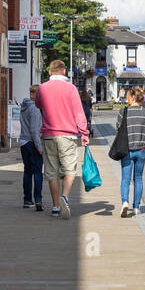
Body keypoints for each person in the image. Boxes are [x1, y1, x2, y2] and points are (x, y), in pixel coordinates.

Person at [36, 60, 90, 219]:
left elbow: (38, 104)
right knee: (69, 169)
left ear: (50, 72)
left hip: (49, 135)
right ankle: (65, 197)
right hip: (67, 135)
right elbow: (79, 112)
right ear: (64, 71)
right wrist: (84, 133)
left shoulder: (42, 88)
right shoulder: (71, 89)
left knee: (51, 171)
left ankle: (55, 207)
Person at [115, 86, 145, 217]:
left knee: (125, 179)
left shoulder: (123, 111)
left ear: (132, 97)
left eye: (128, 97)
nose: (126, 99)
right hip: (141, 149)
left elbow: (118, 127)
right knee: (138, 178)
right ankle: (136, 207)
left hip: (127, 149)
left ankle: (125, 202)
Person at [18, 85, 44, 211]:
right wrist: (39, 146)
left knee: (27, 171)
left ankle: (27, 199)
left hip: (23, 141)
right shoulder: (35, 108)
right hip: (32, 143)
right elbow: (34, 130)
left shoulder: (24, 106)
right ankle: (38, 199)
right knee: (38, 172)